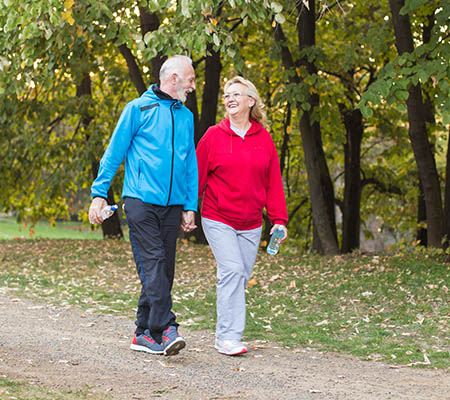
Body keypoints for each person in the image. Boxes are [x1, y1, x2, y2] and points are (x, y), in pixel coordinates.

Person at [88, 55, 198, 356]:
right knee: (154, 264)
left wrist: (190, 205)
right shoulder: (138, 108)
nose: (193, 85)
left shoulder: (186, 116)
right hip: (140, 200)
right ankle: (167, 326)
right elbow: (114, 152)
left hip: (173, 205)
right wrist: (99, 192)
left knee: (164, 270)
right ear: (173, 78)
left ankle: (144, 332)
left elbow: (190, 165)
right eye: (190, 79)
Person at [196, 76, 288, 356]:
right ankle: (227, 337)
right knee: (233, 271)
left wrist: (279, 220)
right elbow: (196, 176)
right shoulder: (213, 135)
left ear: (251, 101)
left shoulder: (264, 139)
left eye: (237, 94)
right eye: (226, 95)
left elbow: (273, 182)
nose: (230, 99)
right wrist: (187, 209)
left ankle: (227, 331)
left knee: (238, 274)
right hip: (217, 215)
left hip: (251, 222)